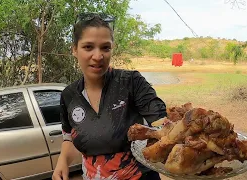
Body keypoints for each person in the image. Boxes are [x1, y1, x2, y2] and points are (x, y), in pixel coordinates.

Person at [52, 12, 167, 180]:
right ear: (75, 50)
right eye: (88, 47)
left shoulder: (131, 82)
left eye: (105, 47)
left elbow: (162, 123)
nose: (98, 56)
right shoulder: (69, 95)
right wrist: (62, 161)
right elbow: (69, 138)